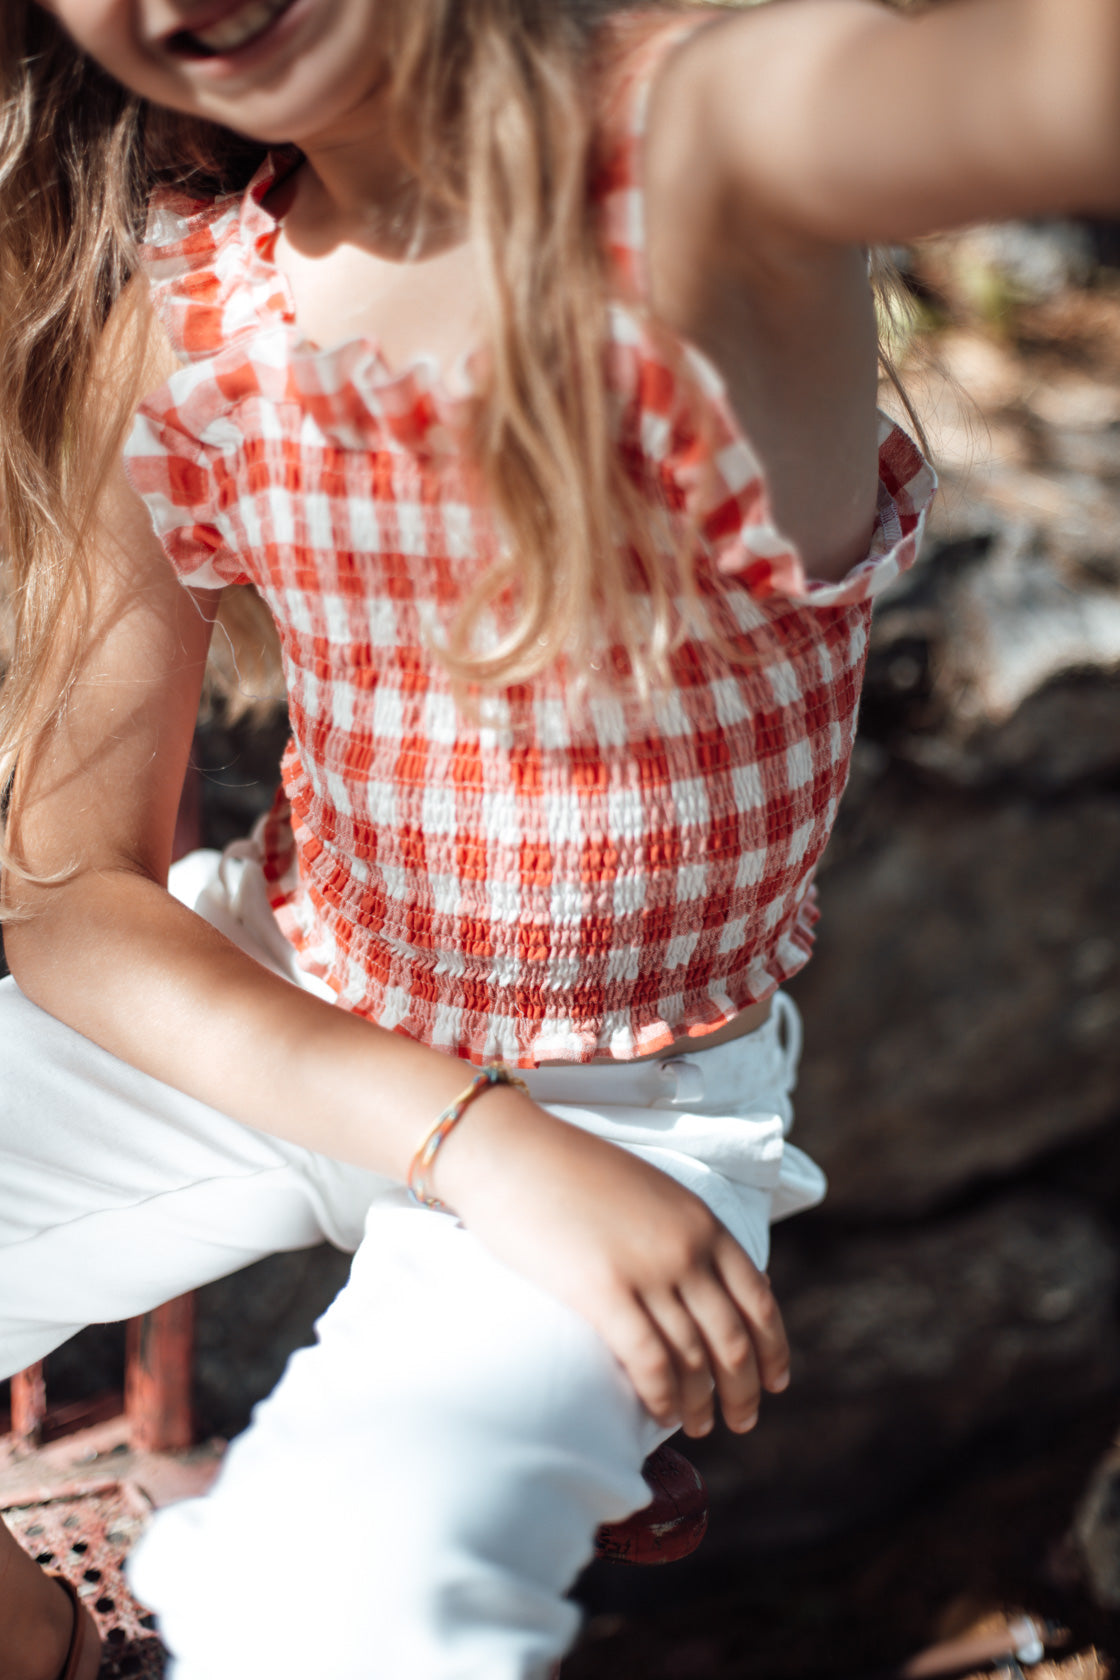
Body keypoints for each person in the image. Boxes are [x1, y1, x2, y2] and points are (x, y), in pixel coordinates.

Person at [0, 0, 1115, 1675]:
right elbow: (70, 888)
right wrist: (464, 1136)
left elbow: (1047, 80)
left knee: (325, 1611)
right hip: (295, 1005)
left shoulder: (701, 143)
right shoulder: (179, 299)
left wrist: (520, 1149)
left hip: (631, 1112)